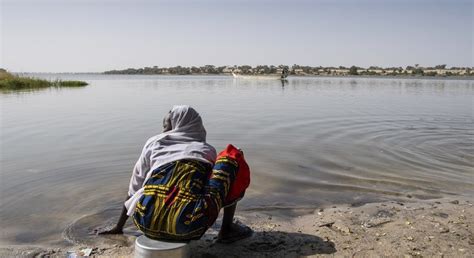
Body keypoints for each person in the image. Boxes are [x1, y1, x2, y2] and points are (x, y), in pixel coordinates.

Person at [99, 105, 252, 243]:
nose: (164, 132)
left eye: (166, 127)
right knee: (233, 156)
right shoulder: (207, 150)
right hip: (192, 227)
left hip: (145, 223)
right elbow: (213, 187)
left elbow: (134, 188)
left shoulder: (154, 143)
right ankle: (226, 230)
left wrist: (119, 227)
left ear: (177, 126)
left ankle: (166, 219)